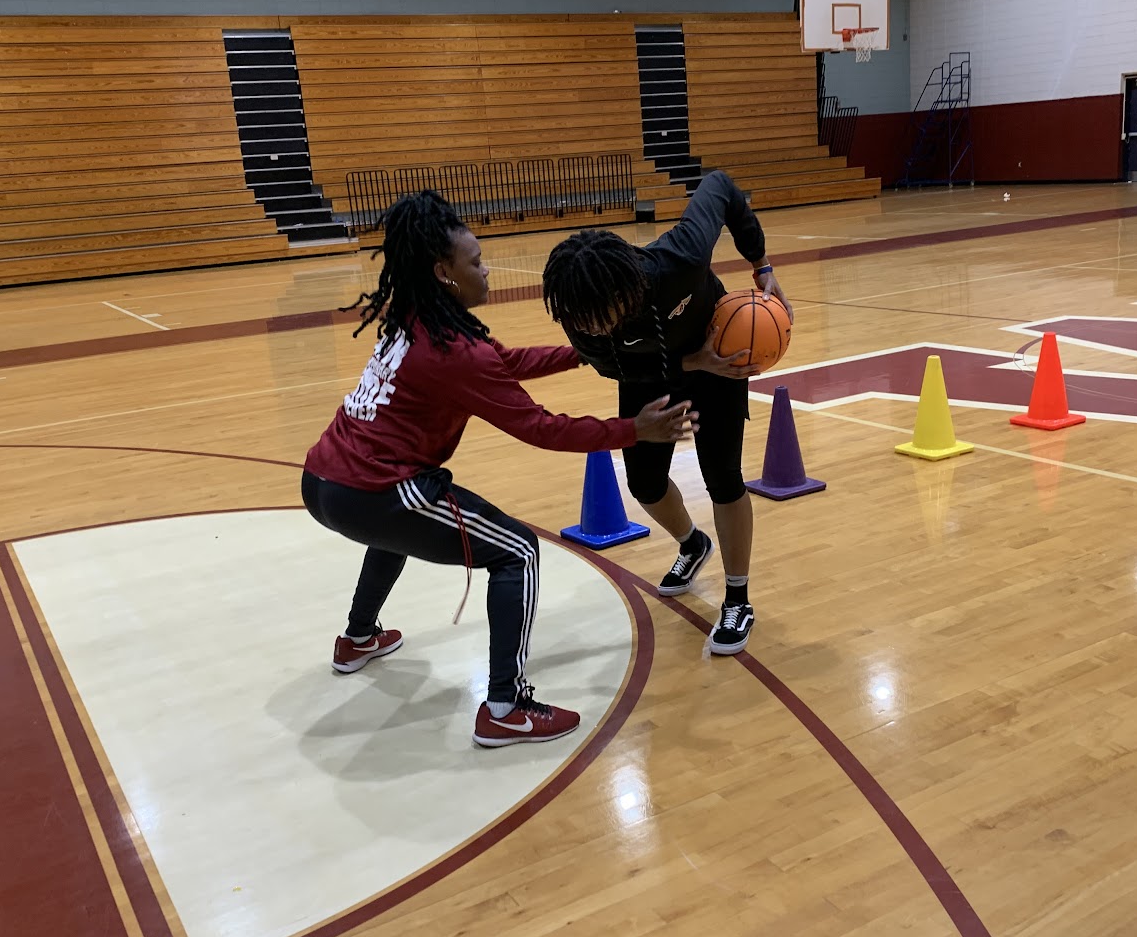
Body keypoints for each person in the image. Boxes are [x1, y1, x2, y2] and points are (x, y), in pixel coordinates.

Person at [301, 191, 696, 749]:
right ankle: (505, 708)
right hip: (376, 490)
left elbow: (504, 363)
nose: (487, 271)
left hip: (323, 481)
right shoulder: (456, 353)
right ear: (443, 273)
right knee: (518, 552)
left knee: (397, 531)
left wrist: (583, 352)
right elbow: (541, 428)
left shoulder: (415, 317)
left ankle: (358, 638)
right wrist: (635, 429)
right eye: (476, 262)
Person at [541, 169, 788, 657]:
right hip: (649, 375)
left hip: (719, 362)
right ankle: (692, 543)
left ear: (623, 292)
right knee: (643, 483)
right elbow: (610, 366)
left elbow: (721, 186)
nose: (589, 329)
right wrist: (688, 363)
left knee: (723, 478)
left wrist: (760, 264)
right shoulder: (579, 314)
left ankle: (737, 598)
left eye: (598, 317)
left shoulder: (680, 258)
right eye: (579, 321)